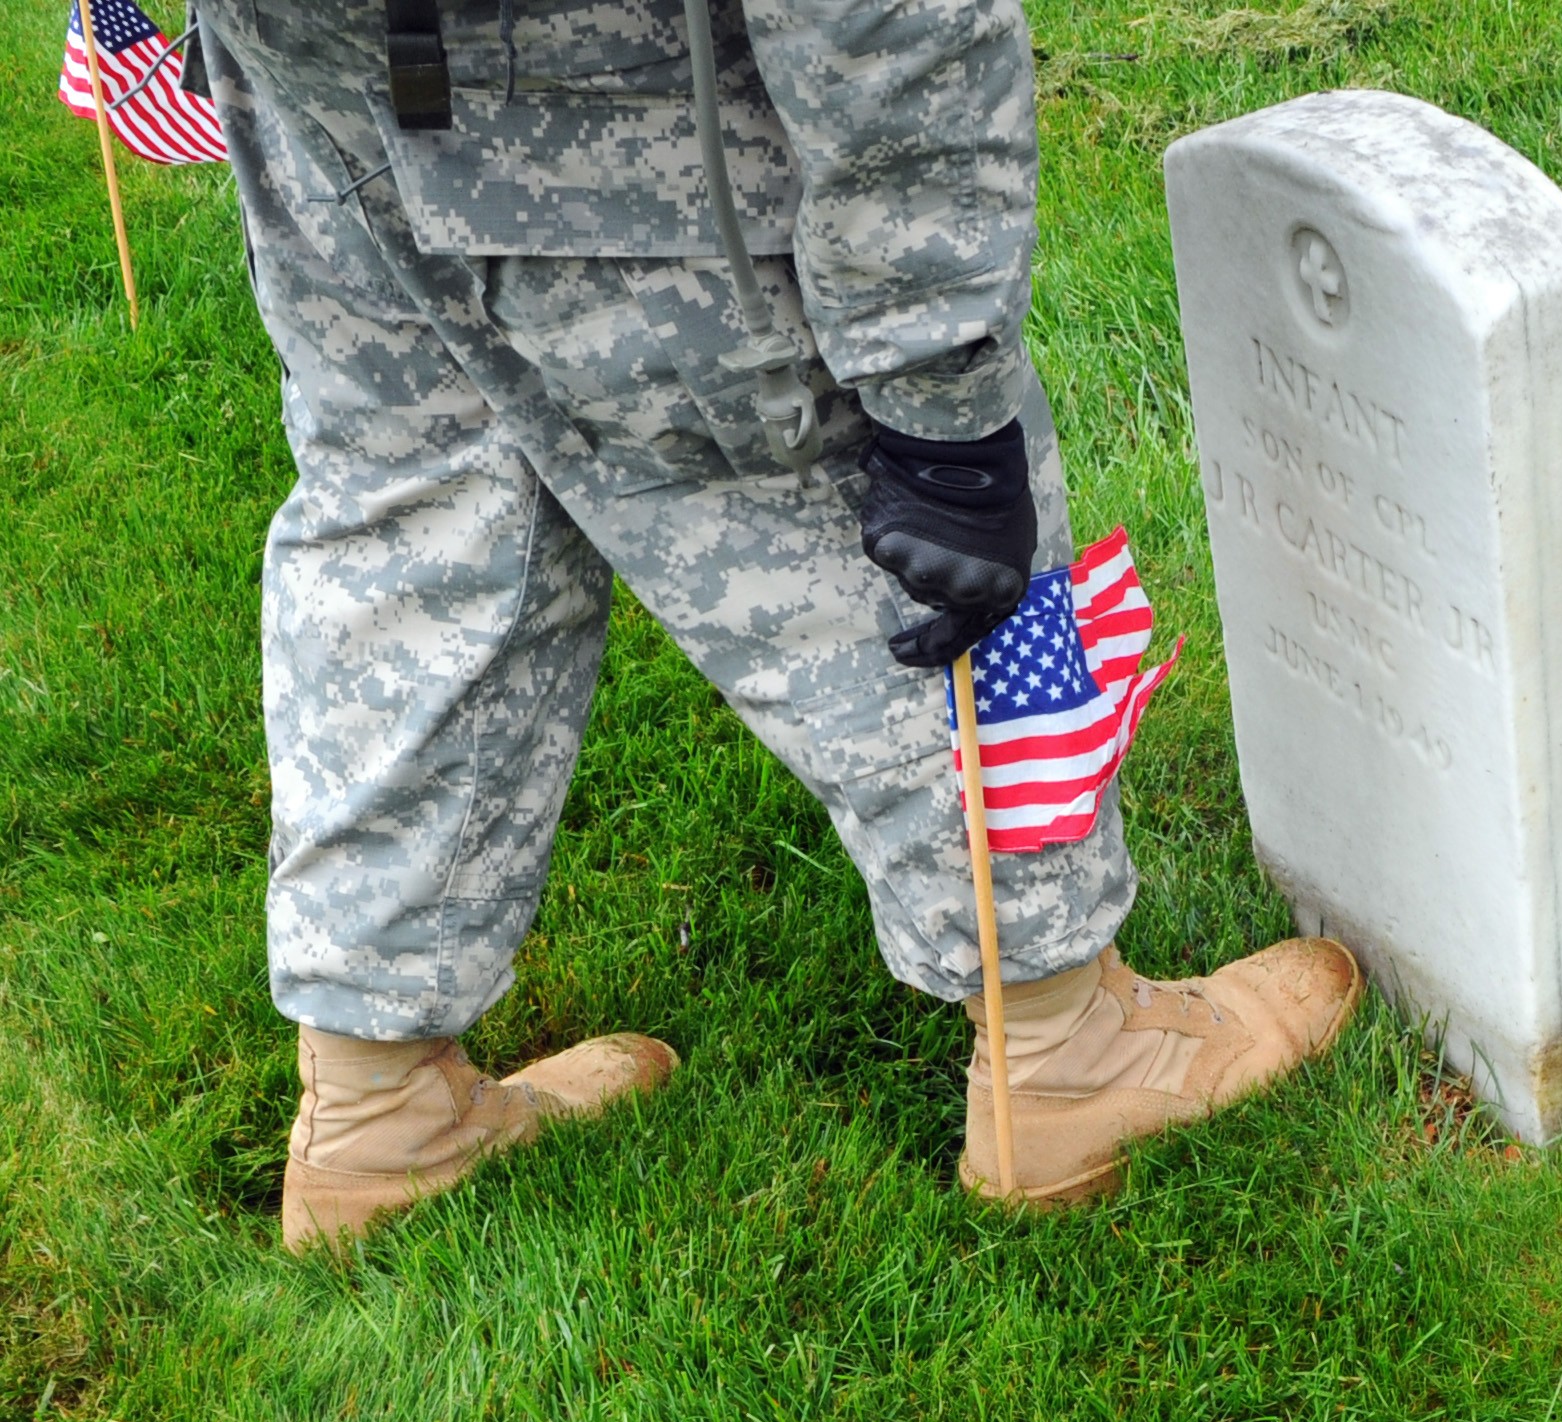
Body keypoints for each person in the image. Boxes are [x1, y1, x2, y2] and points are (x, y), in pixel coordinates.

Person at [186, 0, 1359, 1252]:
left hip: (308, 53)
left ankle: (379, 1104)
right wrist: (937, 382)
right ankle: (1068, 1045)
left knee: (422, 499)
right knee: (854, 474)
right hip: (591, 62)